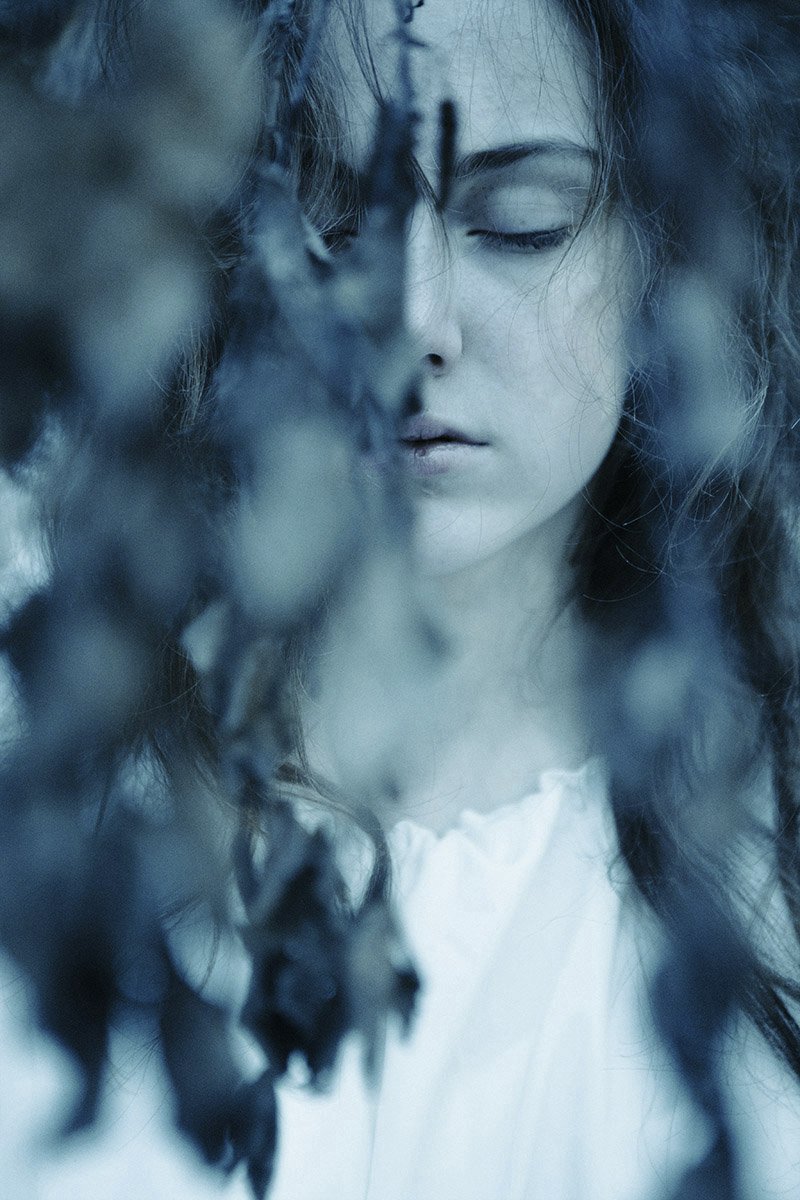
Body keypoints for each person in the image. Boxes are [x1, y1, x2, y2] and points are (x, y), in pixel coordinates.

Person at [2, 0, 800, 1197]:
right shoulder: (55, 783)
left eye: (518, 222)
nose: (413, 320)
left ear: (662, 239)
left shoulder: (763, 848)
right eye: (330, 219)